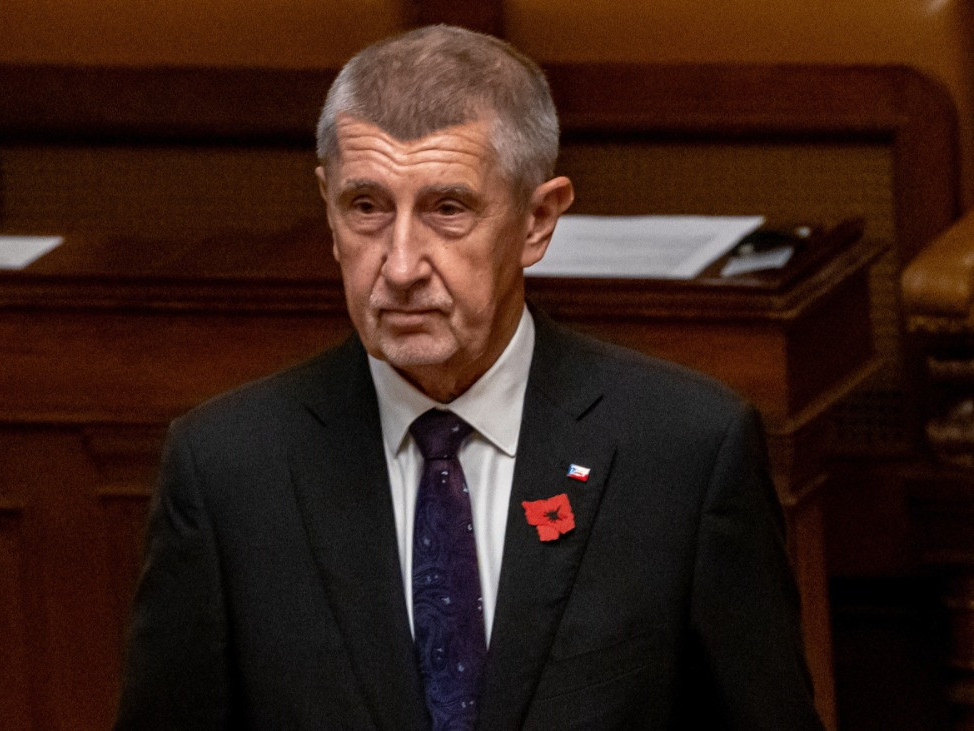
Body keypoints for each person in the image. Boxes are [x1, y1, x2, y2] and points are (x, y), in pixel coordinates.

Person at [116, 25, 821, 730]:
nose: (400, 266)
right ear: (329, 210)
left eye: (447, 209)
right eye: (367, 208)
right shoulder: (228, 470)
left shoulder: (685, 453)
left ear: (537, 220)